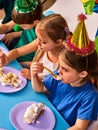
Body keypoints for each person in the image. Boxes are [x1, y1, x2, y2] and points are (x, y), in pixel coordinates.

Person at [30, 14, 98, 130]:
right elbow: (40, 89)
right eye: (60, 66)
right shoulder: (59, 75)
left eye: (65, 69)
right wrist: (34, 75)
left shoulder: (90, 96)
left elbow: (79, 127)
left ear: (82, 74)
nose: (59, 71)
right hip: (44, 117)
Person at [0, 14, 71, 80]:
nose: (38, 43)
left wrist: (32, 76)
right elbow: (18, 51)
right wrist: (7, 59)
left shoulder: (63, 62)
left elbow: (54, 84)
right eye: (37, 38)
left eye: (43, 42)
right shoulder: (41, 45)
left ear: (58, 42)